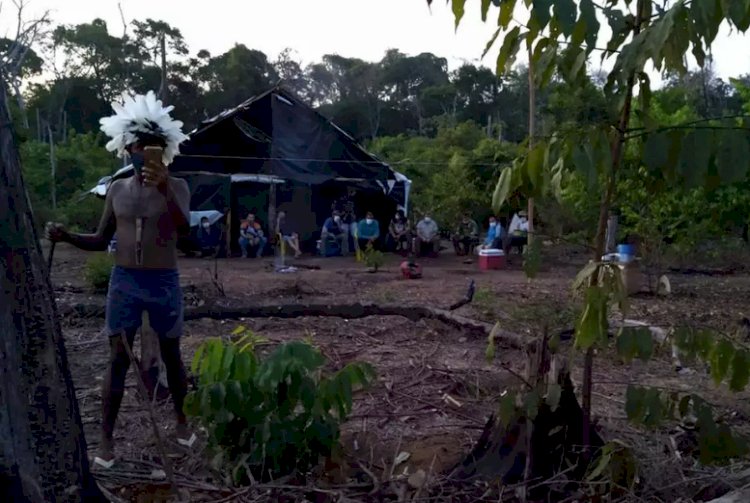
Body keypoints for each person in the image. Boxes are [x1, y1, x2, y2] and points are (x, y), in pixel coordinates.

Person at [45, 90, 193, 467]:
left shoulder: (177, 187)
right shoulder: (116, 189)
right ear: (129, 149)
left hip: (163, 279)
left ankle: (181, 422)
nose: (147, 152)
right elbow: (100, 240)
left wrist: (164, 191)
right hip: (125, 279)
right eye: (141, 146)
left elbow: (186, 234)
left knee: (173, 355)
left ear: (165, 149)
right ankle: (106, 442)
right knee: (117, 360)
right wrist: (66, 237)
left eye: (155, 146)